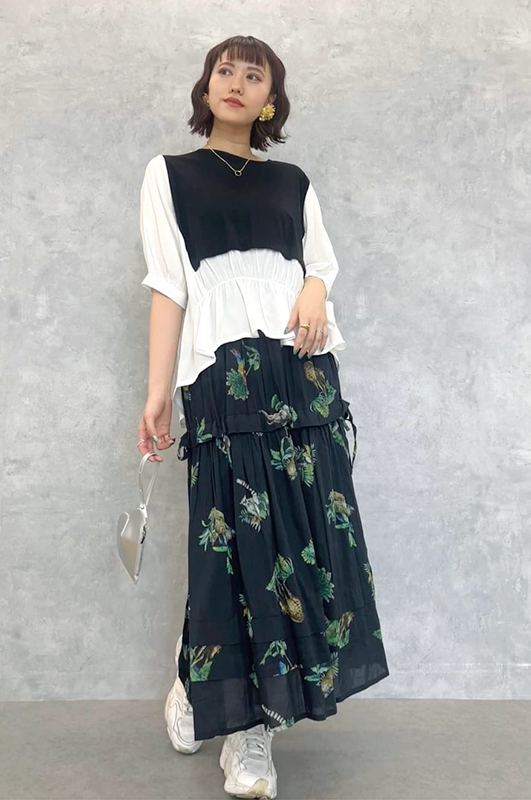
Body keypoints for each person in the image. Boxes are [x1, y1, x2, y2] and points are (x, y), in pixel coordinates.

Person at [137, 34, 390, 800]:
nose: (237, 83)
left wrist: (313, 289)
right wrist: (156, 392)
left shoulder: (292, 181)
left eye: (255, 75)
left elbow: (319, 264)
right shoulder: (169, 174)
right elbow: (169, 285)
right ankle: (222, 707)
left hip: (299, 373)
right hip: (222, 371)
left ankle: (244, 724)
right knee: (239, 543)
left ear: (271, 99)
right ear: (206, 85)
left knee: (300, 546)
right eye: (226, 70)